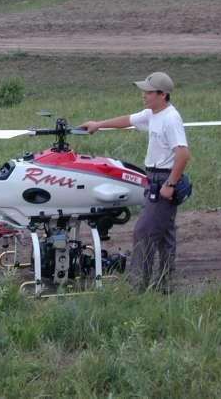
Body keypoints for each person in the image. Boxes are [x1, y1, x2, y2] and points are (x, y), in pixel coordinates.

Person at [81, 72, 190, 293]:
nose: (144, 95)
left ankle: (139, 286)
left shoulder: (170, 118)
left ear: (163, 94)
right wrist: (99, 124)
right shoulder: (152, 113)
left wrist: (169, 184)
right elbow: (128, 120)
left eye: (149, 92)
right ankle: (164, 284)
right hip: (153, 177)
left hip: (163, 178)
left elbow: (183, 154)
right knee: (164, 234)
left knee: (143, 231)